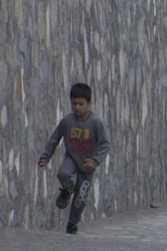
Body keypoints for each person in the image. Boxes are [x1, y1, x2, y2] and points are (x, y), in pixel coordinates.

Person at [37, 82, 112, 234]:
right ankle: (67, 190)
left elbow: (106, 144)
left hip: (87, 165)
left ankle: (72, 224)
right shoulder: (67, 121)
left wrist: (95, 160)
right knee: (63, 174)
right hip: (71, 159)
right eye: (74, 104)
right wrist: (46, 157)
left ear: (89, 103)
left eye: (81, 104)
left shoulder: (96, 123)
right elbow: (54, 139)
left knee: (80, 199)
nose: (77, 107)